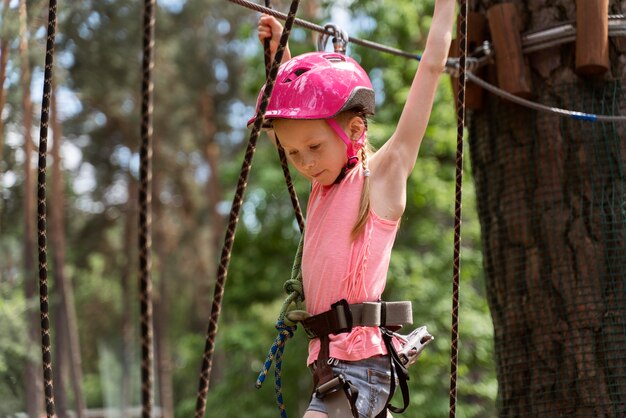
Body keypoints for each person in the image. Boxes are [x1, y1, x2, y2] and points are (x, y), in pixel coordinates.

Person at [252, 2, 455, 417]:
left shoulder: (381, 177)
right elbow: (300, 122)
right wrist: (281, 59)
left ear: (356, 131)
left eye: (313, 149)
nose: (304, 162)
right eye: (293, 153)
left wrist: (447, 7)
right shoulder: (323, 184)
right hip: (330, 366)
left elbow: (432, 66)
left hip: (360, 368)